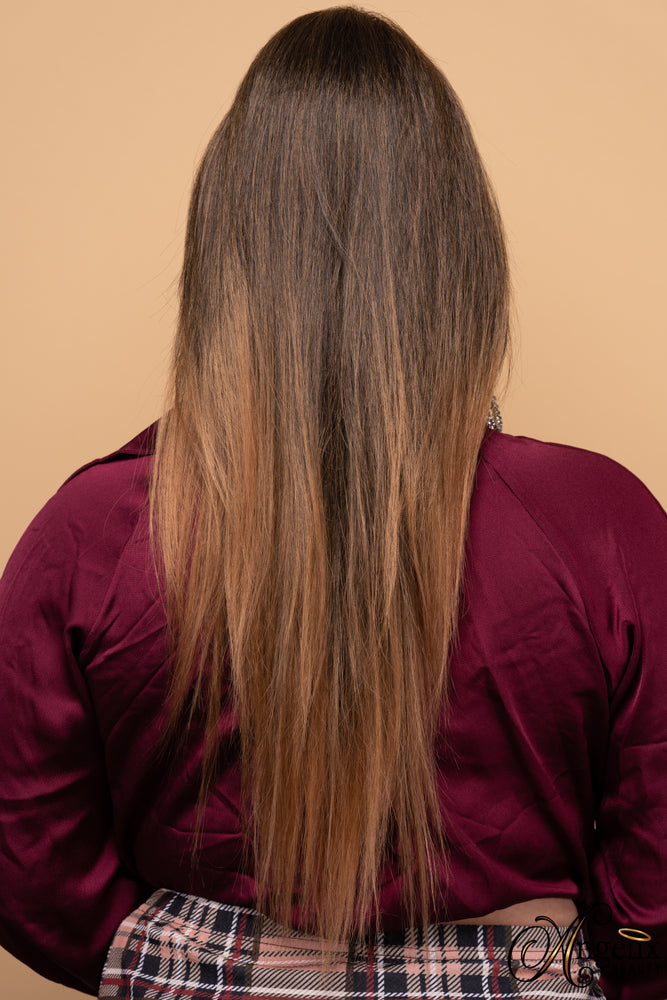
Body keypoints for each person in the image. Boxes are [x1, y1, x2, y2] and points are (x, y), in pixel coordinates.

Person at [0, 7, 665, 999]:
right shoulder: (598, 523)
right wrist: (573, 966)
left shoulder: (91, 536)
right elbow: (656, 878)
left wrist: (184, 961)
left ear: (224, 252)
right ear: (462, 254)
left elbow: (32, 866)